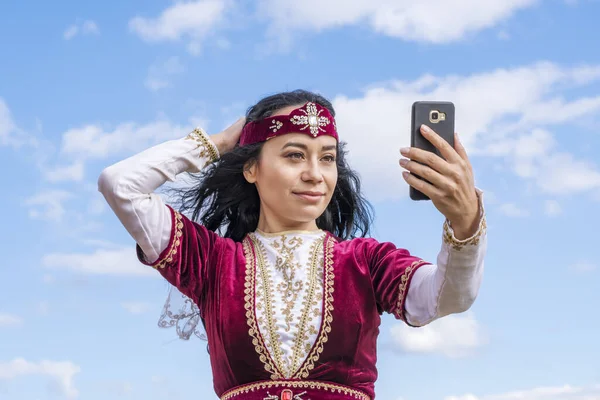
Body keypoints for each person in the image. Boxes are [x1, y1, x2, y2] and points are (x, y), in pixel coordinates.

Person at [98, 90, 486, 400]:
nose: (314, 174)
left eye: (328, 158)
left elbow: (448, 297)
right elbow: (121, 185)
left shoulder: (366, 261)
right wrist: (213, 144)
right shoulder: (213, 262)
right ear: (251, 167)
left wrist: (465, 221)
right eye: (294, 155)